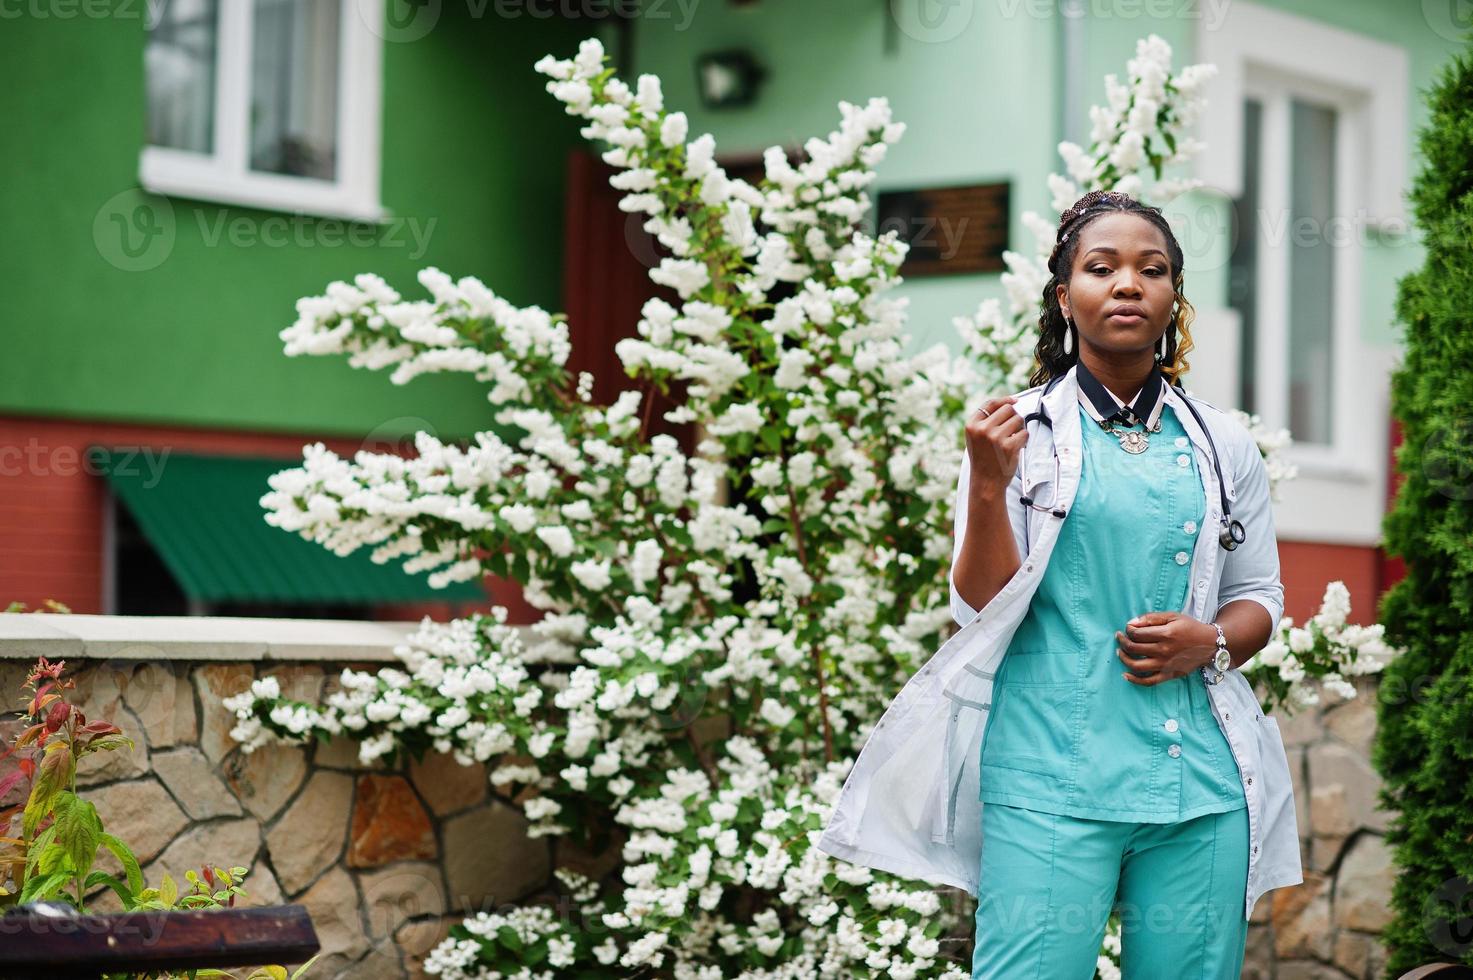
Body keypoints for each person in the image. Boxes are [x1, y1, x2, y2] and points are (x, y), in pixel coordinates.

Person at [813, 189, 1303, 978]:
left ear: (1173, 295)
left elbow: (1260, 600)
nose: (1126, 285)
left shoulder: (1222, 443)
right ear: (1063, 295)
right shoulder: (1018, 434)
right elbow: (979, 607)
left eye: (1151, 270)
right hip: (1050, 777)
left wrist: (1206, 640)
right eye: (1100, 267)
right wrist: (983, 481)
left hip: (1200, 785)